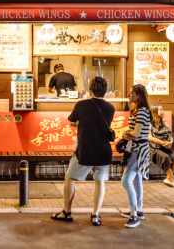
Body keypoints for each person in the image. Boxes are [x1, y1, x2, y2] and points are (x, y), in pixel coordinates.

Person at [51, 76, 115, 226]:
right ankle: (95, 215)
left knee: (69, 178)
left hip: (84, 151)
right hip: (103, 151)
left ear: (90, 89)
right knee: (99, 182)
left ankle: (66, 212)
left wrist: (79, 124)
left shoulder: (81, 105)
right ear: (105, 91)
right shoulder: (110, 108)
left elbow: (73, 120)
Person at [121, 84, 152, 228]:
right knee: (137, 181)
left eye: (131, 93)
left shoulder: (141, 111)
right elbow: (136, 131)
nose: (129, 95)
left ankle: (134, 215)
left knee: (126, 181)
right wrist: (129, 133)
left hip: (138, 150)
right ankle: (138, 210)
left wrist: (126, 134)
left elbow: (137, 134)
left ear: (138, 95)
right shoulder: (140, 110)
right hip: (139, 148)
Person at [149, 104, 174, 187]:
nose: (163, 111)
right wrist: (162, 143)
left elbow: (170, 135)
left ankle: (168, 178)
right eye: (160, 110)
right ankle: (172, 180)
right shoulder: (149, 124)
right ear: (155, 112)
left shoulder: (165, 124)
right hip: (154, 149)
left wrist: (170, 142)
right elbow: (150, 138)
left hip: (165, 147)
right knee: (165, 157)